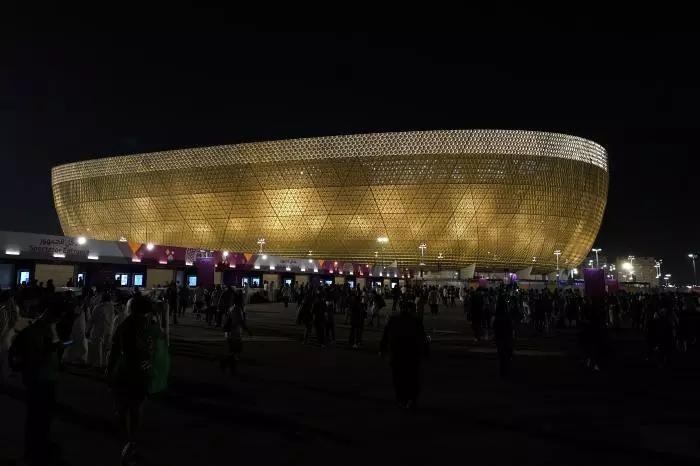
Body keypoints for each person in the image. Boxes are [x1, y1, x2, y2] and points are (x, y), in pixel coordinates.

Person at [9, 296, 69, 465]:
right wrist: (48, 351)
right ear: (49, 314)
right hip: (38, 380)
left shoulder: (50, 328)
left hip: (47, 379)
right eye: (57, 317)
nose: (57, 321)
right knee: (37, 418)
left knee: (43, 418)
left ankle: (39, 448)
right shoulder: (34, 331)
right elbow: (28, 356)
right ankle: (33, 452)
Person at [107, 294, 161, 464]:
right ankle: (132, 440)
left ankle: (125, 440)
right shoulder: (152, 325)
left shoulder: (126, 325)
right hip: (143, 372)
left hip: (125, 371)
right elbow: (159, 349)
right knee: (137, 407)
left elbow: (116, 349)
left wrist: (109, 369)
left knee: (122, 406)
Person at [380, 304, 430, 409]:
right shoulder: (416, 322)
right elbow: (422, 338)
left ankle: (402, 398)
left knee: (398, 377)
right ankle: (411, 398)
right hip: (411, 354)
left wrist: (383, 349)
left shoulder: (393, 320)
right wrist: (426, 352)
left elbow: (385, 336)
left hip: (397, 353)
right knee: (412, 377)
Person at [221, 297, 252, 374]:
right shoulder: (237, 310)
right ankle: (228, 366)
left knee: (233, 351)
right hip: (235, 333)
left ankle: (228, 366)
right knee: (235, 351)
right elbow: (239, 322)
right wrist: (248, 330)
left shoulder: (231, 308)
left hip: (229, 333)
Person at [87, 292, 114, 368]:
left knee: (98, 347)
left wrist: (88, 330)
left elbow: (92, 319)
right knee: (106, 348)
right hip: (109, 329)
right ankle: (105, 364)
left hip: (99, 330)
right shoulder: (111, 306)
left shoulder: (98, 307)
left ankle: (97, 364)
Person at [493, 295, 514, 377]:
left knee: (501, 354)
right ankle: (506, 370)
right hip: (506, 336)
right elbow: (510, 326)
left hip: (500, 336)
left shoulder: (498, 314)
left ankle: (502, 371)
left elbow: (495, 326)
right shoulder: (507, 314)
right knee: (507, 353)